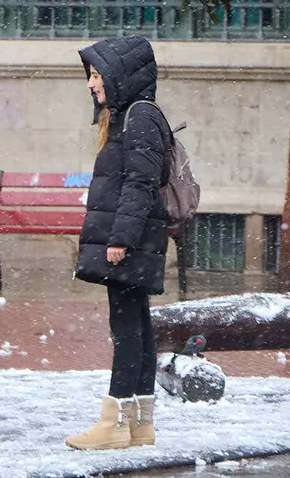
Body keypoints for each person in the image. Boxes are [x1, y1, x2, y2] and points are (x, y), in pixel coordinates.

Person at [66, 35, 171, 451]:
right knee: (138, 328)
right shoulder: (134, 114)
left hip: (131, 240)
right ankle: (138, 424)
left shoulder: (140, 116)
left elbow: (140, 182)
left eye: (96, 75)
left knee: (127, 330)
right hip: (136, 239)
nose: (92, 84)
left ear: (119, 75)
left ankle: (113, 425)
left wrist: (120, 239)